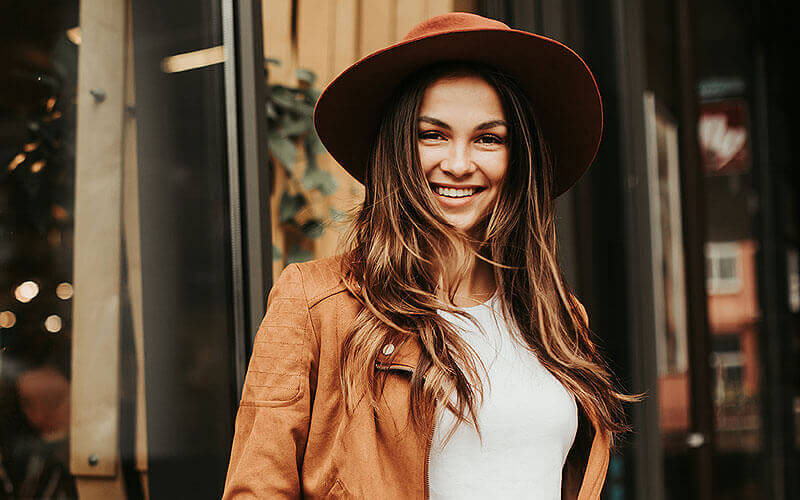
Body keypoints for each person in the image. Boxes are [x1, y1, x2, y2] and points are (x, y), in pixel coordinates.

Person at [222, 12, 641, 499]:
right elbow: (257, 490)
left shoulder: (558, 317)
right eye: (433, 135)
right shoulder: (319, 304)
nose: (459, 164)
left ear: (517, 158)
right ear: (399, 149)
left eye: (488, 138)